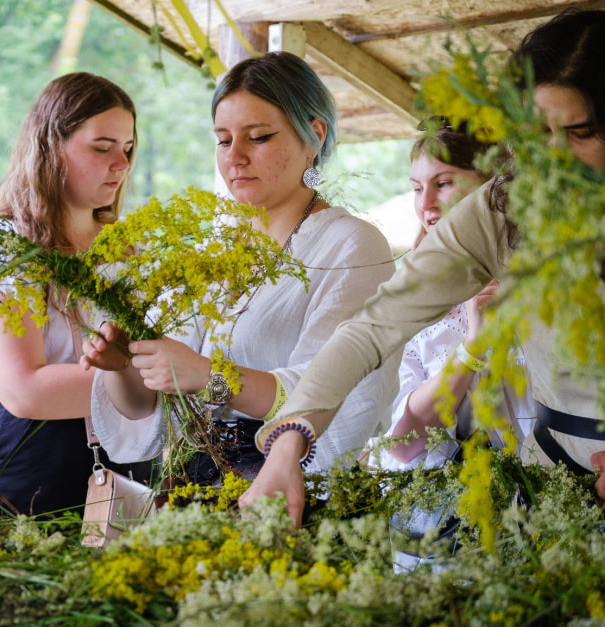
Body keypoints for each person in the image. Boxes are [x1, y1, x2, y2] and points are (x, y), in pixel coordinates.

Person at [242, 9, 605, 526]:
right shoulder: (503, 211)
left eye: (580, 133)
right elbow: (372, 327)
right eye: (536, 135)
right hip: (553, 484)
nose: (553, 161)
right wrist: (288, 441)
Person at [80, 52, 398, 484]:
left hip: (294, 496)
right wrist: (123, 365)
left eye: (259, 137)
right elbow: (152, 410)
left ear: (315, 136)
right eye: (224, 140)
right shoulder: (218, 248)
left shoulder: (350, 246)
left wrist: (208, 377)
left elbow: (328, 396)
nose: (236, 157)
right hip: (196, 495)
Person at [0, 72, 147, 516]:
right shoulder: (3, 247)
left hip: (128, 465)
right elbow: (25, 390)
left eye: (127, 149)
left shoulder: (132, 249)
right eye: (102, 147)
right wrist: (155, 383)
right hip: (26, 464)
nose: (120, 164)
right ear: (50, 148)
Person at [367, 123, 535, 470]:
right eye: (416, 188)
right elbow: (401, 446)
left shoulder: (550, 280)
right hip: (448, 511)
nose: (425, 203)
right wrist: (473, 347)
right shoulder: (410, 296)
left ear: (496, 185)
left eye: (442, 184)